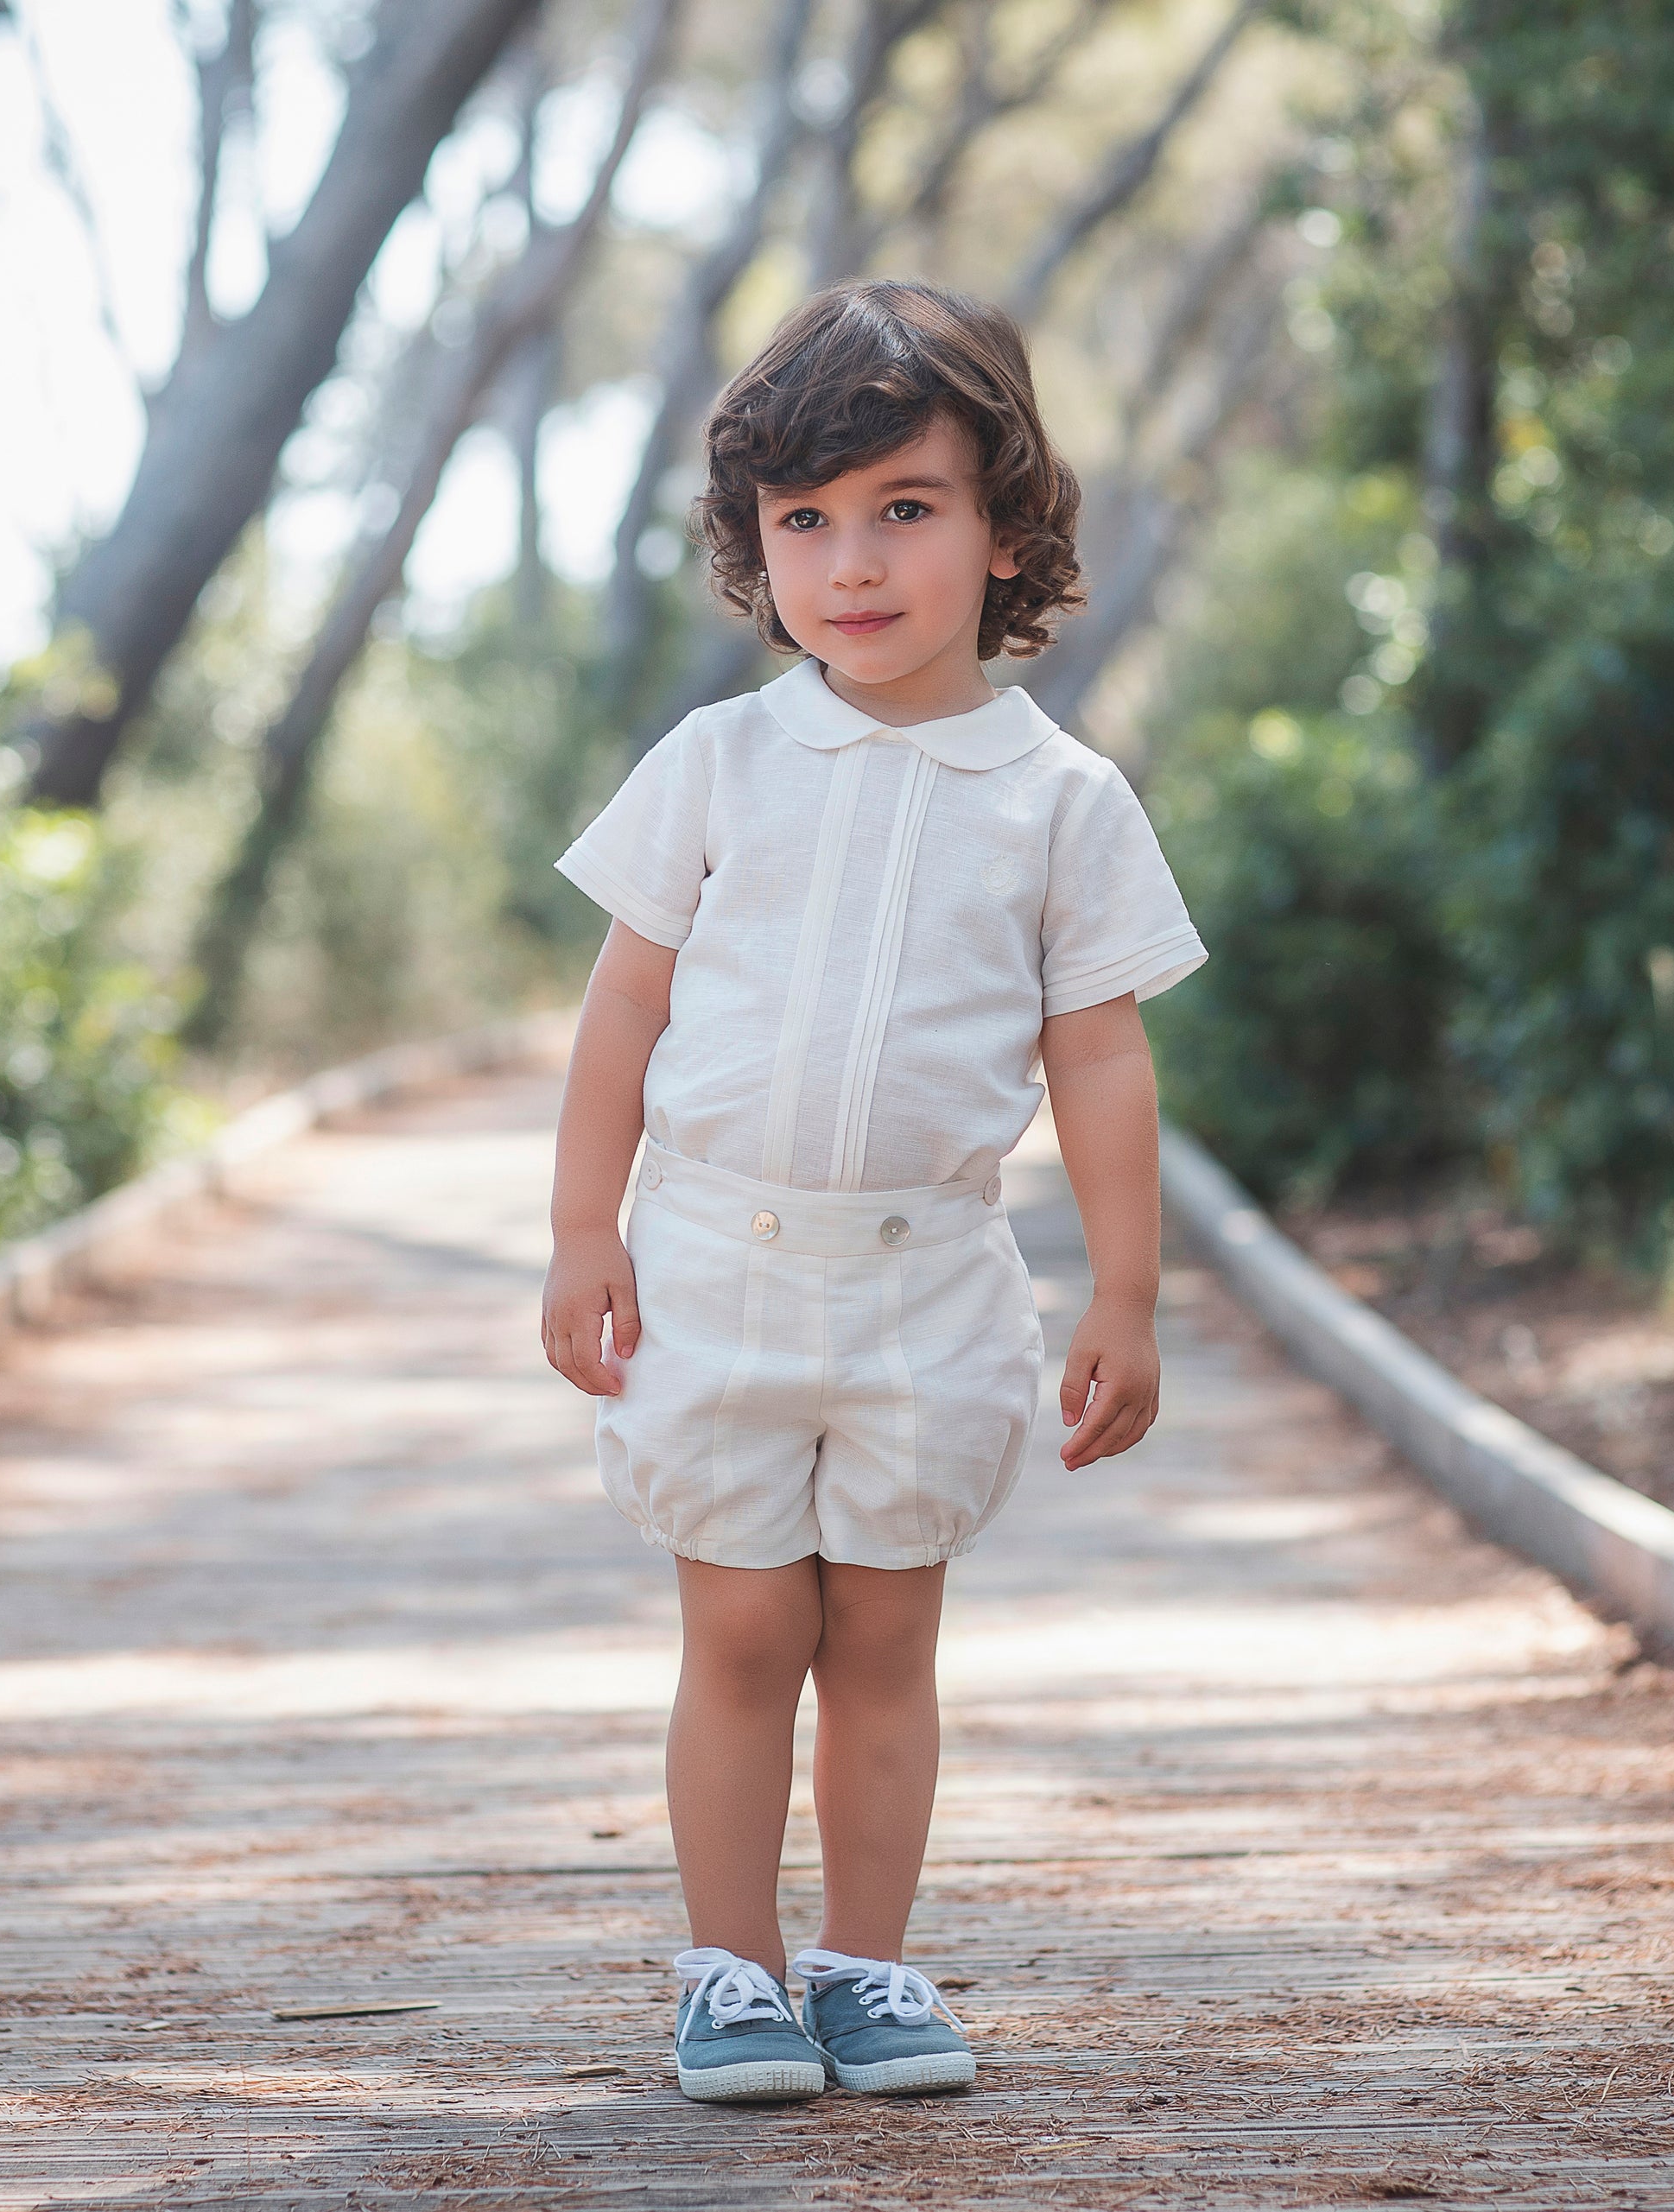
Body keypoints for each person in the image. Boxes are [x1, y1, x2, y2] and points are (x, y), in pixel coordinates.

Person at [541, 279, 1204, 2104]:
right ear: (758, 549)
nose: (853, 561)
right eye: (805, 520)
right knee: (747, 1623)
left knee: (890, 1629)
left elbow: (1102, 1059)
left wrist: (1126, 1297)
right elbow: (624, 1010)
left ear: (1004, 533)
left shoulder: (1061, 800)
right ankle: (732, 1969)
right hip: (713, 1262)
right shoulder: (719, 761)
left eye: (905, 508)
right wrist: (581, 1228)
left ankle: (870, 1966)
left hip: (930, 1278)